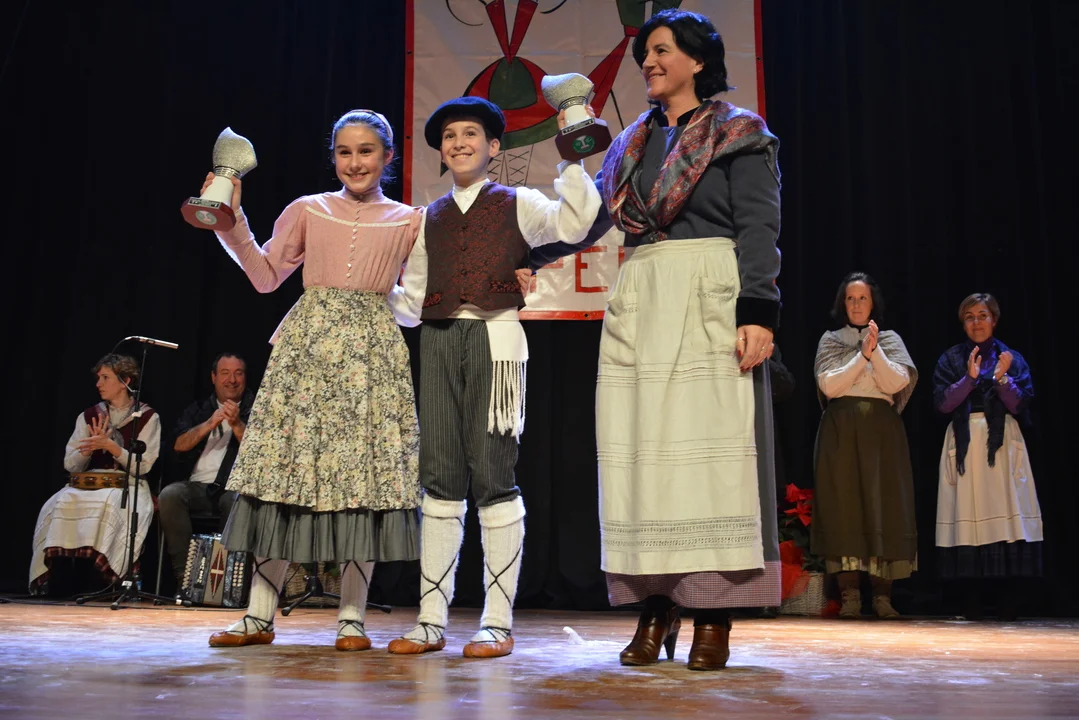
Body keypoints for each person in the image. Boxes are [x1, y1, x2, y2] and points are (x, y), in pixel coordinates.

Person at [595, 9, 782, 671]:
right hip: (643, 297)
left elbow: (758, 226)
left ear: (697, 61)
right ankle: (655, 605)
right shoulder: (630, 144)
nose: (648, 62)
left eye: (661, 50)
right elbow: (588, 219)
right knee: (643, 459)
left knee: (709, 464)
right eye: (645, 53)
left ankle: (712, 614)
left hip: (710, 292)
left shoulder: (737, 133)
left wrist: (757, 311)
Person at [385, 96, 603, 659]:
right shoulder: (426, 217)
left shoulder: (519, 202)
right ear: (440, 151)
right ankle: (430, 619)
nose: (459, 143)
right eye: (450, 136)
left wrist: (572, 161)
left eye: (470, 134)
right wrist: (370, 291)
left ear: (493, 146)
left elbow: (576, 222)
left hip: (496, 341)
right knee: (438, 475)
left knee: (492, 473)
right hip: (438, 342)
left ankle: (497, 623)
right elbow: (412, 299)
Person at [201, 109, 423, 651]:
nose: (355, 162)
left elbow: (419, 302)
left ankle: (352, 618)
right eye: (345, 152)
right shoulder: (308, 209)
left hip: (371, 356)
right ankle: (258, 615)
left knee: (362, 482)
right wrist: (231, 220)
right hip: (306, 354)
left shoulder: (410, 220)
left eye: (366, 151)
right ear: (334, 157)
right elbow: (265, 277)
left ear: (388, 157)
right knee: (282, 474)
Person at [812, 272, 917, 620]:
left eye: (863, 298)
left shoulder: (890, 339)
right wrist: (862, 357)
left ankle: (883, 596)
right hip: (840, 433)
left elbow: (896, 382)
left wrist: (875, 353)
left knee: (883, 506)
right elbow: (830, 386)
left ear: (873, 303)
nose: (856, 305)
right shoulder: (831, 340)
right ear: (843, 304)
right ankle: (850, 596)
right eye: (850, 298)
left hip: (881, 433)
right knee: (844, 508)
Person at [933, 293, 1042, 620]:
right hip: (965, 440)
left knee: (1006, 512)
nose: (977, 322)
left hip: (1003, 442)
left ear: (994, 319)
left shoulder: (1011, 358)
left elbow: (1020, 405)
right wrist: (969, 379)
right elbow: (943, 404)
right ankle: (971, 598)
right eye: (970, 317)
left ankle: (1008, 598)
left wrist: (1002, 378)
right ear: (962, 323)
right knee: (968, 513)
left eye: (982, 315)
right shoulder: (951, 359)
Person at [29, 354, 161, 592]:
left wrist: (111, 447)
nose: (98, 383)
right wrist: (87, 450)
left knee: (111, 504)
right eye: (98, 378)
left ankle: (109, 578)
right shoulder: (89, 416)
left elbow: (143, 466)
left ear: (125, 381)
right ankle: (55, 577)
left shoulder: (148, 417)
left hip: (128, 484)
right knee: (58, 502)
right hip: (90, 483)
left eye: (105, 378)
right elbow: (71, 465)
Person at [159, 352, 254, 590]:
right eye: (225, 373)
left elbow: (260, 452)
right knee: (170, 495)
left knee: (236, 501)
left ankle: (224, 585)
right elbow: (178, 445)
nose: (232, 380)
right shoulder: (199, 409)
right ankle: (186, 581)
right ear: (213, 377)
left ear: (245, 378)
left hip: (233, 488)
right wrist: (210, 423)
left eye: (238, 373)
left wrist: (237, 424)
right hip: (196, 487)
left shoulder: (256, 409)